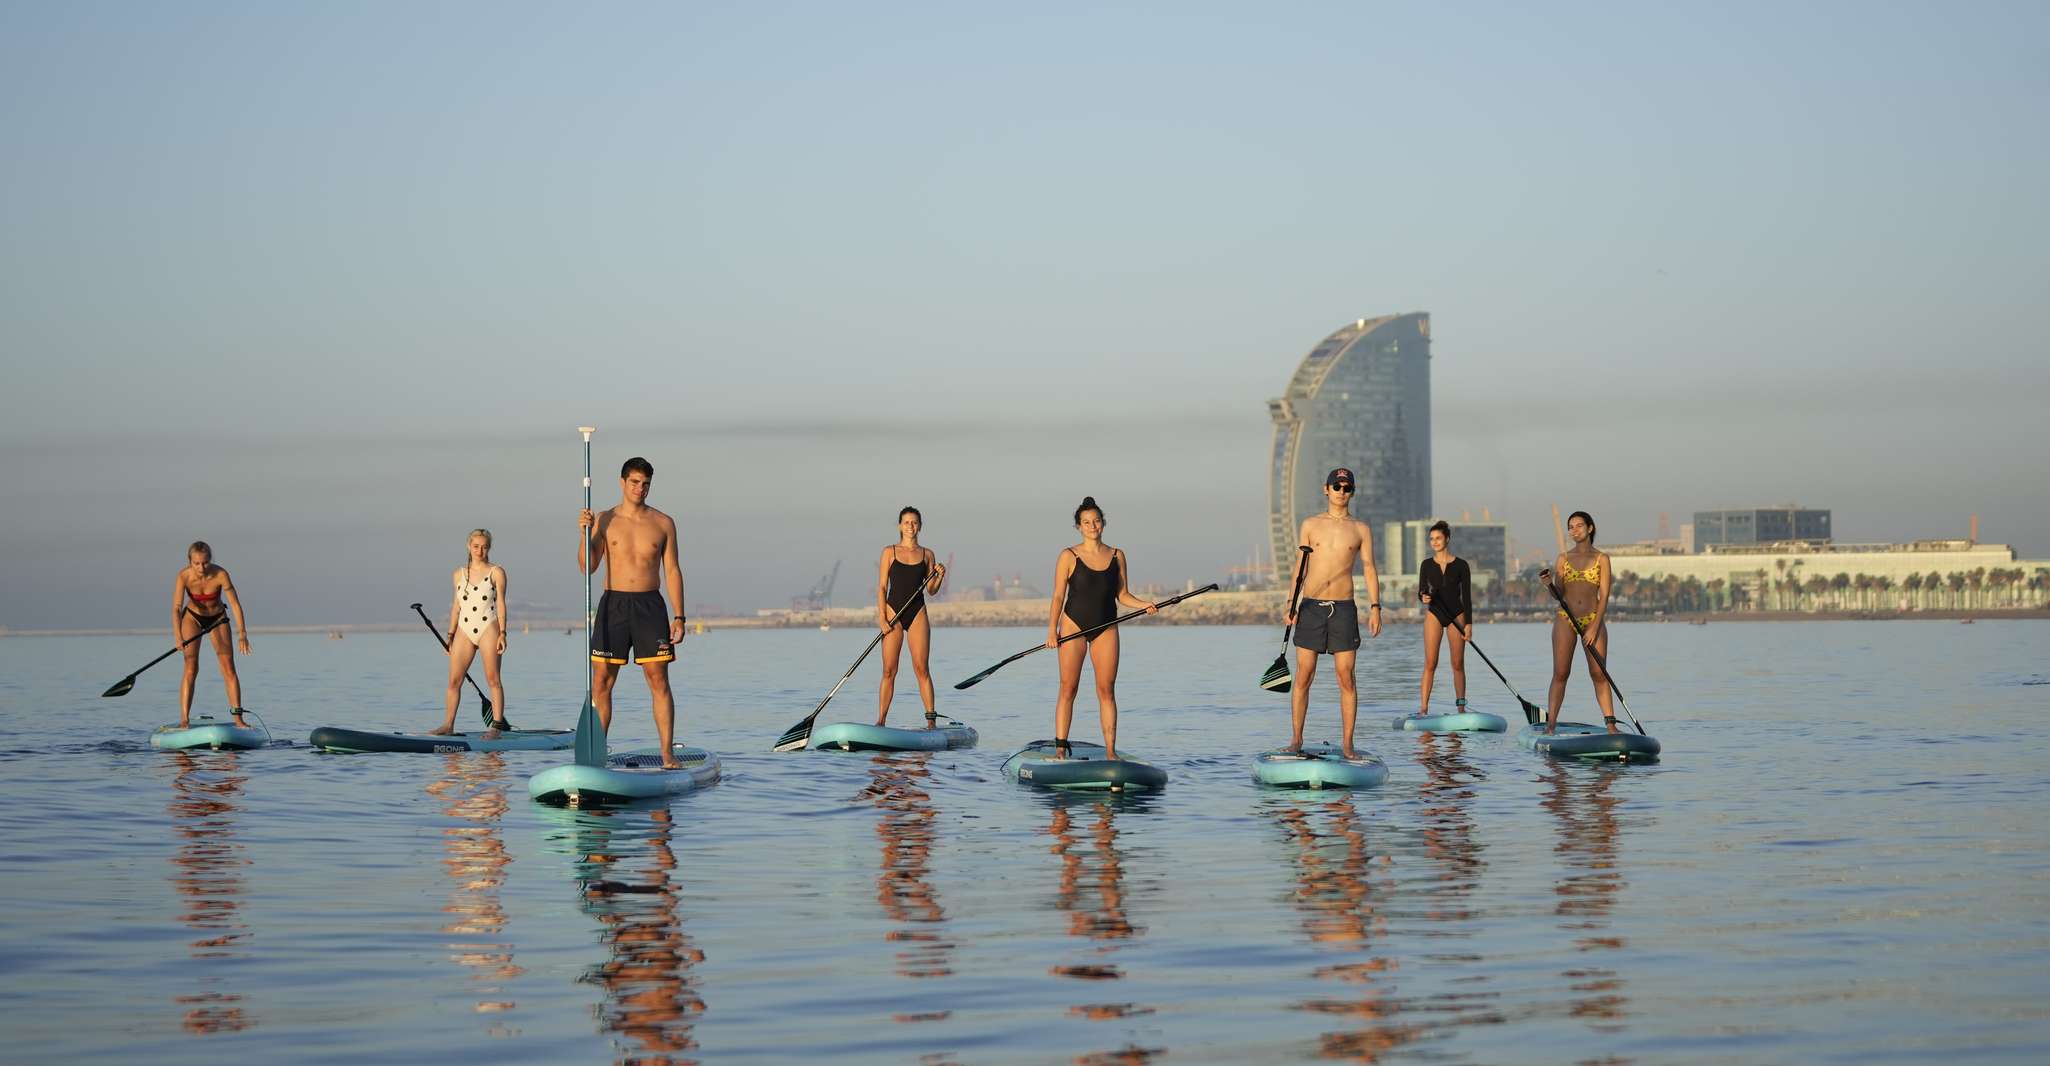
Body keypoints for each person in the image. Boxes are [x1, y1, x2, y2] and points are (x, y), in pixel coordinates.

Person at [578, 456, 687, 768]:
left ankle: (667, 754)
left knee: (658, 680)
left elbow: (673, 570)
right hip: (613, 604)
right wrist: (584, 534)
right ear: (622, 482)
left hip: (650, 605)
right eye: (635, 482)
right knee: (602, 682)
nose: (641, 489)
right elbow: (588, 566)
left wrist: (679, 615)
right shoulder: (604, 519)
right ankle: (596, 754)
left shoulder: (663, 522)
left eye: (646, 484)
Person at [1044, 496, 1156, 759]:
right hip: (1073, 625)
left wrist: (1144, 604)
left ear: (1103, 523)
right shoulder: (1068, 556)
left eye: (1096, 521)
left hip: (1107, 626)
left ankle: (1110, 752)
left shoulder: (1117, 555)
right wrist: (1052, 630)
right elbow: (1058, 596)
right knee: (1068, 687)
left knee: (1106, 690)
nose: (1092, 525)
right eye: (1086, 522)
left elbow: (1123, 594)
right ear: (1079, 527)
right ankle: (1061, 748)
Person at [1284, 468, 1383, 758]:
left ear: (1352, 491)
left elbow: (1369, 568)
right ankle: (1296, 739)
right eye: (1337, 486)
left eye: (1347, 487)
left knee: (1346, 676)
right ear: (1325, 489)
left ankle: (1348, 744)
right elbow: (1300, 566)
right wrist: (1291, 603)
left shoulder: (1361, 529)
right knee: (1304, 674)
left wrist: (1375, 607)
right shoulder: (1311, 525)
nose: (1342, 492)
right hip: (1311, 606)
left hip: (1344, 608)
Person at [1541, 510, 1618, 734]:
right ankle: (1551, 725)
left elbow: (1604, 596)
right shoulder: (1563, 558)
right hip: (1566, 619)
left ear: (1590, 528)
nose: (1574, 530)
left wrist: (1595, 626)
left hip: (1593, 619)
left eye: (1579, 526)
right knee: (1561, 672)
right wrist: (1548, 584)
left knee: (1599, 674)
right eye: (1571, 527)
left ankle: (1611, 725)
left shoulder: (1602, 558)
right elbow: (1558, 594)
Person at [430, 529, 511, 735]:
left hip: (488, 627)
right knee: (453, 681)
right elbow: (456, 606)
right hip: (464, 630)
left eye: (484, 546)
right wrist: (450, 635)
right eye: (476, 546)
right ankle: (448, 725)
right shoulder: (459, 574)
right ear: (469, 546)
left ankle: (497, 725)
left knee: (493, 679)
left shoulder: (497, 572)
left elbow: (501, 603)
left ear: (489, 548)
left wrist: (503, 633)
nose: (480, 550)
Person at [875, 506, 946, 726]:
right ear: (899, 526)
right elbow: (881, 587)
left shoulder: (927, 554)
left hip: (917, 612)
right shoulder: (889, 552)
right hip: (893, 613)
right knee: (889, 670)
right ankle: (881, 721)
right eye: (906, 522)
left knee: (922, 668)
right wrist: (882, 619)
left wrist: (940, 577)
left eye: (914, 522)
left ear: (920, 526)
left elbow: (931, 590)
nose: (910, 526)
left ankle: (931, 722)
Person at [171, 540, 252, 729]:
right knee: (191, 667)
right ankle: (184, 719)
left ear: (210, 560)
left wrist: (242, 634)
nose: (201, 567)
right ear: (190, 561)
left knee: (228, 668)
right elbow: (176, 608)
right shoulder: (184, 576)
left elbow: (234, 604)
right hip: (192, 618)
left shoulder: (220, 574)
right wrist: (178, 637)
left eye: (205, 563)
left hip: (217, 618)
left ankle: (238, 719)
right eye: (196, 563)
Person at [1415, 520, 1472, 718]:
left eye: (1438, 538)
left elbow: (1467, 596)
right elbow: (1421, 591)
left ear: (1447, 539)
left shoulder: (1462, 566)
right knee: (1430, 663)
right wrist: (1423, 596)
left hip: (1457, 614)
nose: (1435, 542)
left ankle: (1461, 708)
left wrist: (1469, 625)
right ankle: (1423, 708)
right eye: (1431, 539)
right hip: (1435, 614)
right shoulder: (1426, 565)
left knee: (1457, 663)